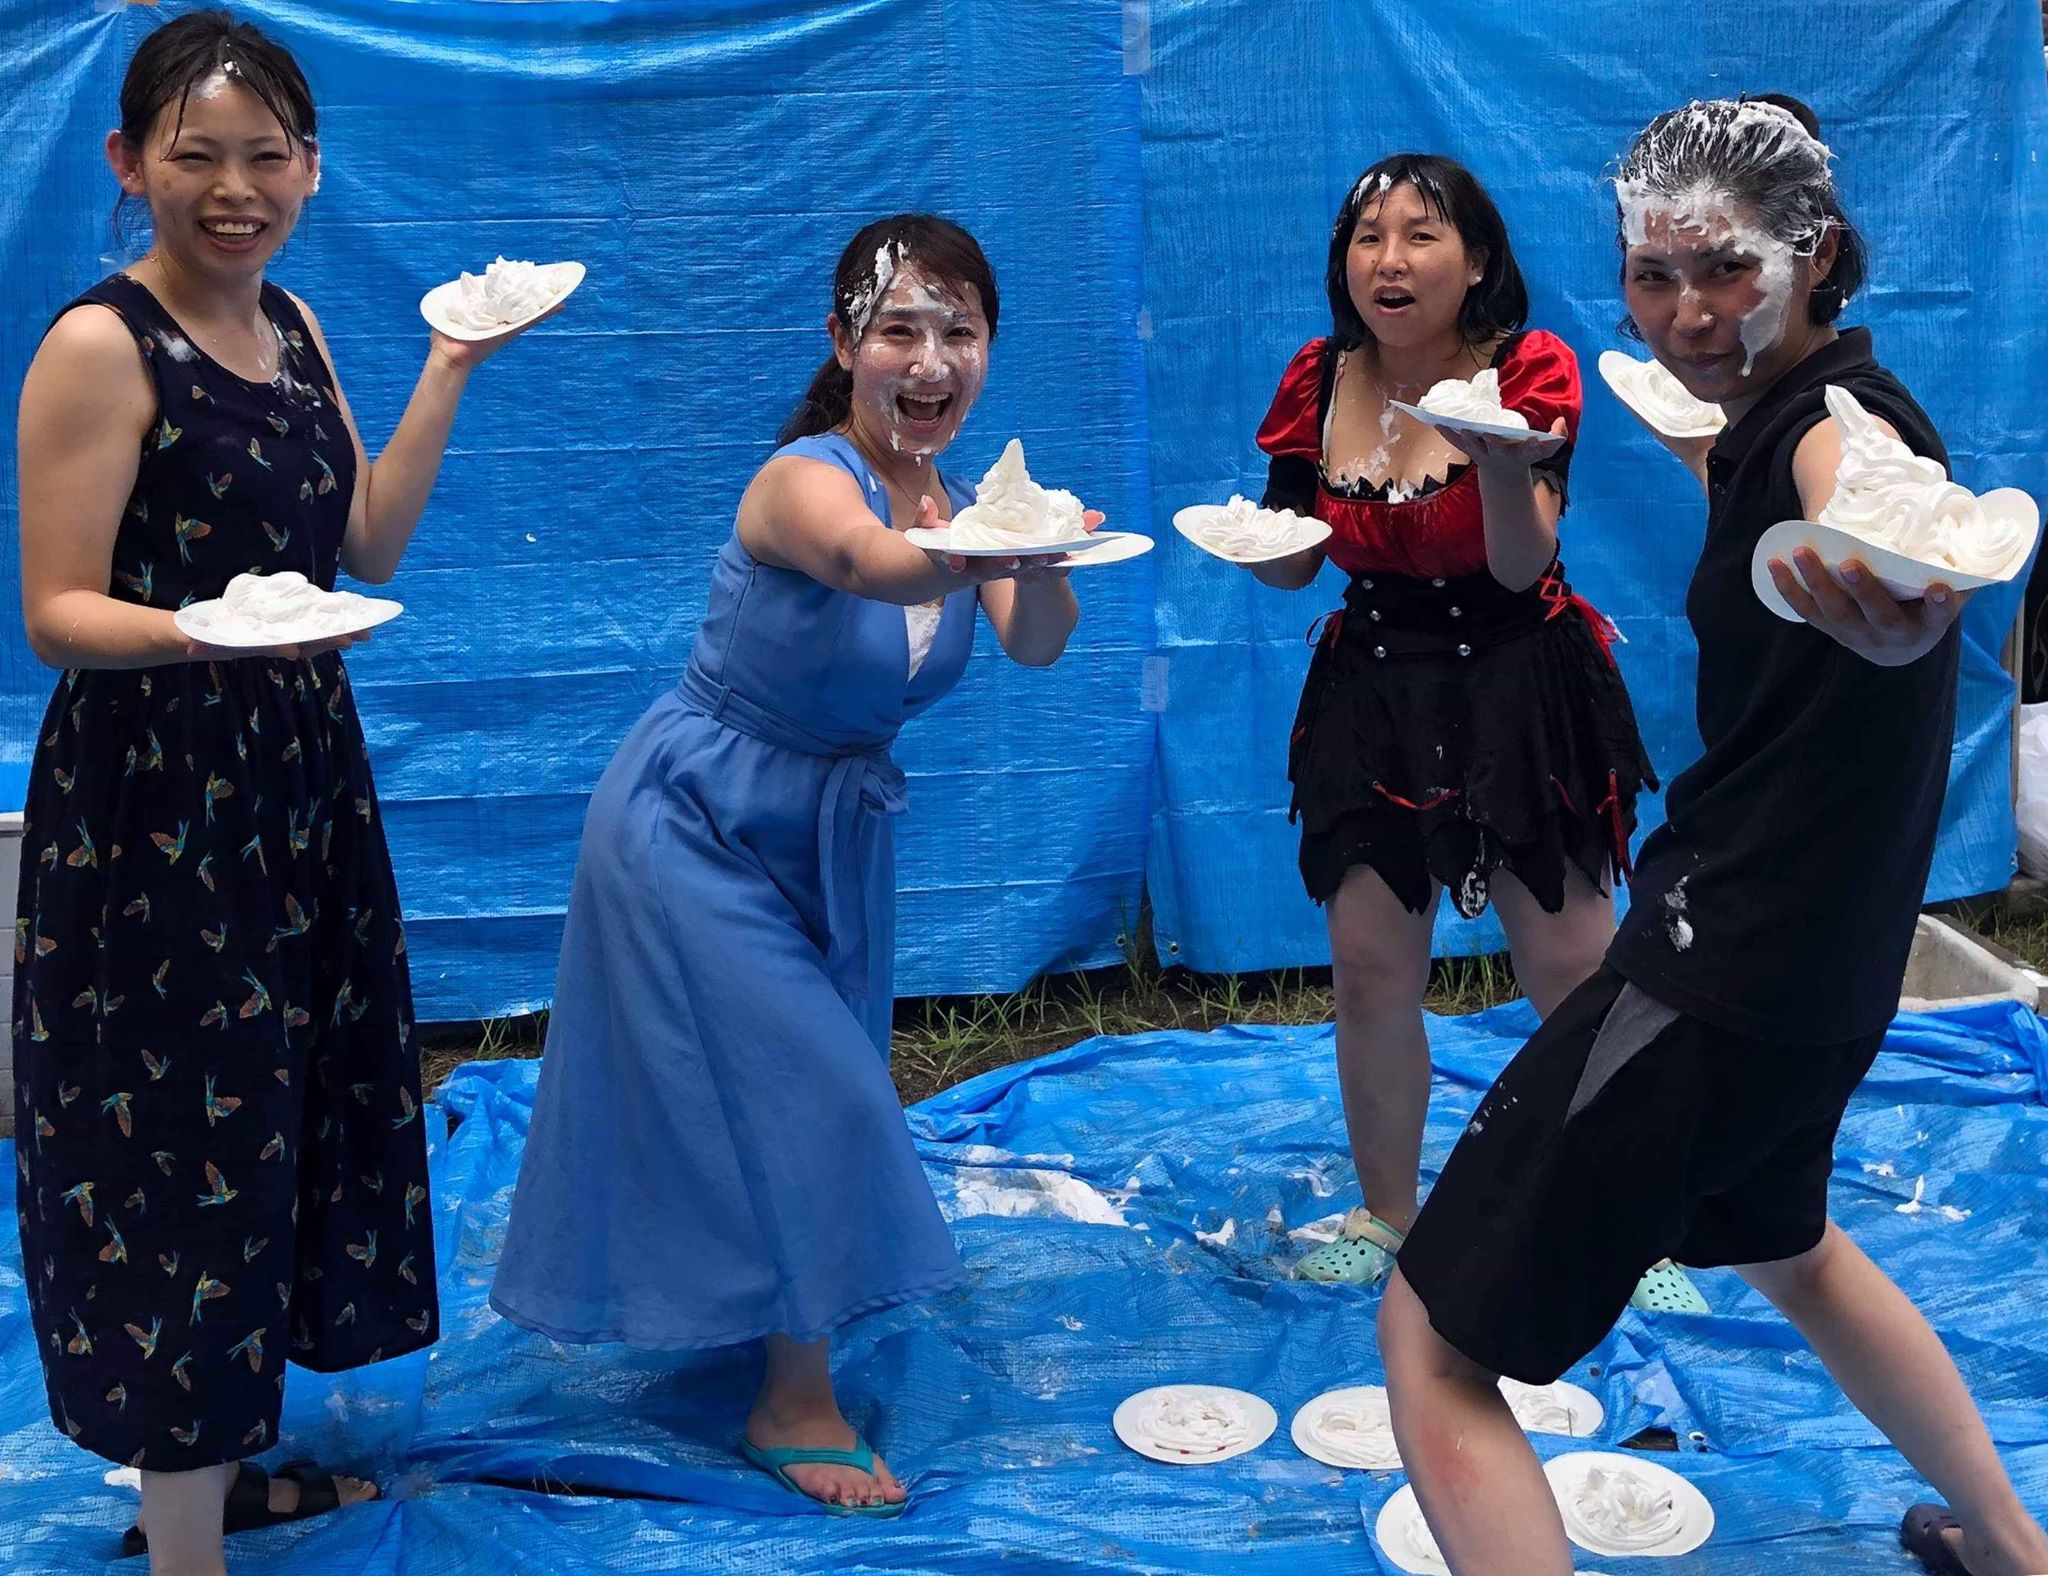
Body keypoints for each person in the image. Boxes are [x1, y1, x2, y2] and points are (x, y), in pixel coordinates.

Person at [1379, 96, 2048, 1576]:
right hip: (1825, 974)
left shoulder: (1841, 437)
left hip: (1717, 974)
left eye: (1727, 271)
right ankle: (2011, 1549)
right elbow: (1774, 467)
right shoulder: (1772, 413)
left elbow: (1879, 512)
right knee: (1787, 1250)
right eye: (1653, 274)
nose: (1686, 313)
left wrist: (1913, 581)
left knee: (1430, 1341)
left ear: (1815, 256)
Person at [11, 12, 551, 1572]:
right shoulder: (100, 346)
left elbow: (364, 547)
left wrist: (449, 364)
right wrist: (213, 629)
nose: (234, 186)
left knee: (283, 1113)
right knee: (175, 1142)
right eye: (197, 156)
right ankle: (185, 1539)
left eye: (266, 155)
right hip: (156, 803)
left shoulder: (296, 325)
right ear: (129, 165)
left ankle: (228, 1472)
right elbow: (56, 610)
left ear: (310, 168)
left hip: (299, 780)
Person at [491, 214, 1092, 1516]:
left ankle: (770, 1332)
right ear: (843, 345)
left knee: (799, 1088)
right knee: (817, 1091)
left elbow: (1037, 639)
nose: (929, 360)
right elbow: (865, 563)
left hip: (829, 835)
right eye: (899, 331)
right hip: (691, 825)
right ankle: (792, 1403)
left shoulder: (969, 497)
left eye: (960, 333)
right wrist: (998, 537)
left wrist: (1042, 552)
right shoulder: (804, 480)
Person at [1249, 154, 1655, 1285]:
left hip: (1520, 676)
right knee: (1370, 971)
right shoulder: (1315, 381)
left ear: (1473, 261)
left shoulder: (1525, 371)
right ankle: (1387, 1215)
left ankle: (1616, 1216)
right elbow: (1292, 567)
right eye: (1366, 234)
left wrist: (1491, 460)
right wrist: (1255, 547)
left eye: (1420, 234)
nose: (1388, 258)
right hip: (1372, 686)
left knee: (1572, 973)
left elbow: (1521, 559)